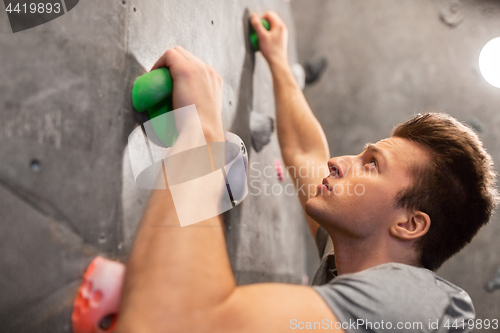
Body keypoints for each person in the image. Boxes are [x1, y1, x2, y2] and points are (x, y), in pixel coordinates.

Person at [116, 11, 498, 333]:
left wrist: (201, 134)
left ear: (409, 224)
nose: (338, 162)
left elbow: (172, 321)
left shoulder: (415, 304)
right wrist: (278, 60)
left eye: (371, 165)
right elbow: (306, 153)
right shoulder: (352, 259)